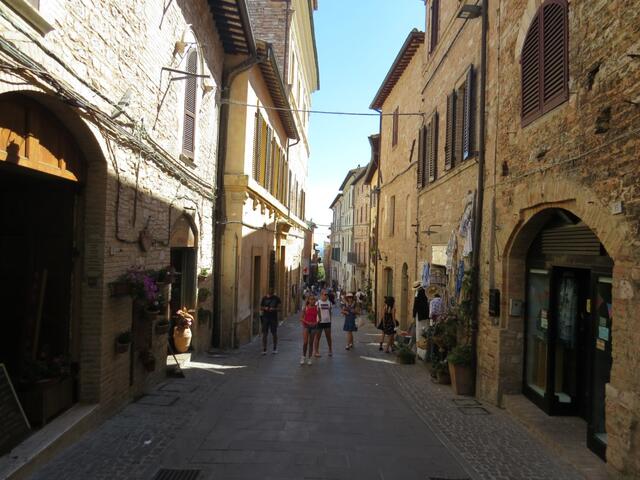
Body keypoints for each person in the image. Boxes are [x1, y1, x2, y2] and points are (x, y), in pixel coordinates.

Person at [260, 288, 281, 355]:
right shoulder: (264, 298)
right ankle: (264, 349)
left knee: (274, 333)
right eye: (269, 290)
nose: (270, 291)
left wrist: (274, 309)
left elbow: (279, 308)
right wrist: (265, 308)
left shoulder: (277, 298)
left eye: (271, 290)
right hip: (265, 318)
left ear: (273, 291)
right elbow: (261, 307)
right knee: (265, 334)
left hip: (273, 318)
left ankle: (275, 348)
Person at [300, 294, 319, 365]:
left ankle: (310, 358)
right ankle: (303, 356)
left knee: (311, 343)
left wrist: (315, 323)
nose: (312, 301)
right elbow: (301, 318)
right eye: (311, 299)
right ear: (308, 300)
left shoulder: (317, 308)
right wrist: (307, 322)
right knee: (305, 343)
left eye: (313, 299)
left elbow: (319, 318)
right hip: (306, 326)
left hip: (314, 327)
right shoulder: (305, 307)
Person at [314, 289, 333, 357]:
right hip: (319, 322)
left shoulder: (329, 303)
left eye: (327, 294)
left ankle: (330, 350)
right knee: (317, 337)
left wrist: (330, 320)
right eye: (325, 294)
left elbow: (330, 311)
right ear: (321, 295)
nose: (326, 296)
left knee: (328, 337)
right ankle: (316, 351)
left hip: (327, 322)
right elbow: (316, 311)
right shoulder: (318, 303)